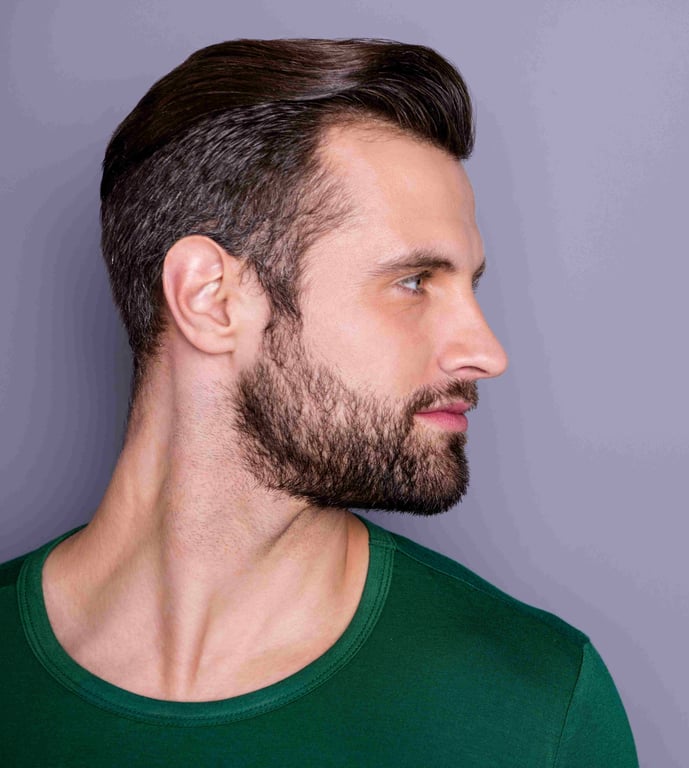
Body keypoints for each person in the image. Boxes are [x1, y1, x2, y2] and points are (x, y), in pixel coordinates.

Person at [0, 38, 638, 767]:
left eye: (470, 286)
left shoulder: (535, 706)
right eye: (414, 282)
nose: (486, 352)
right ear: (211, 299)